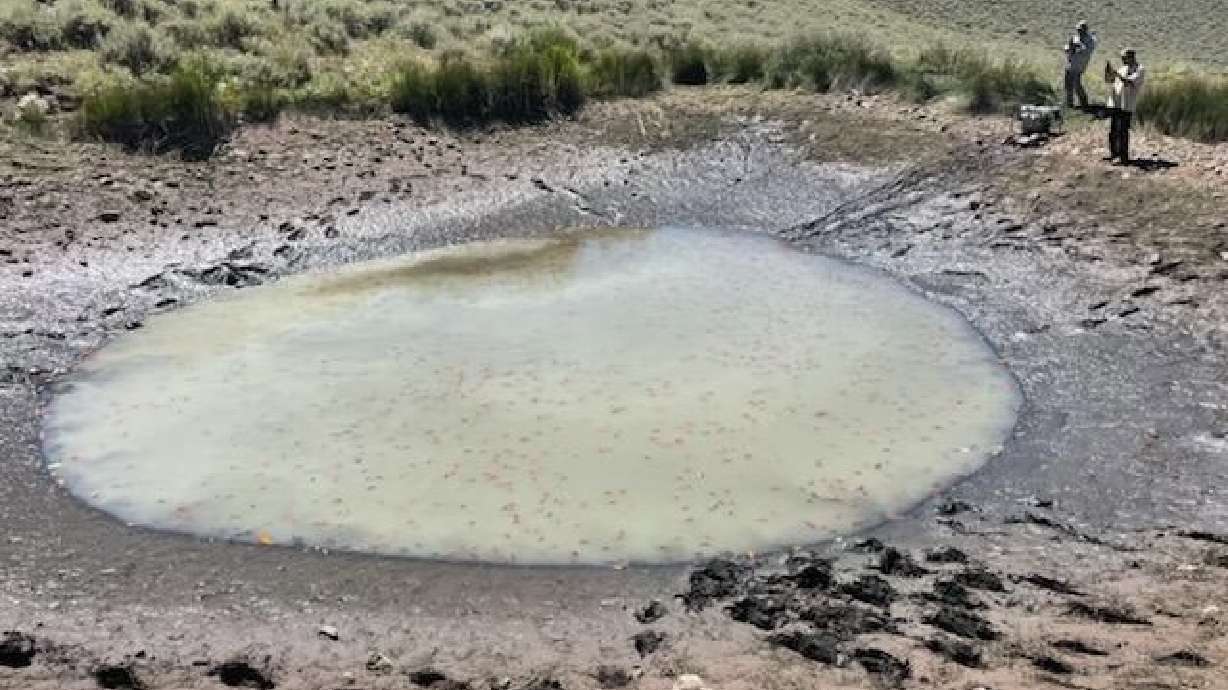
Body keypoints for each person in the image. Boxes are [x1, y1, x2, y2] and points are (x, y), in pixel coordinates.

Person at [1104, 48, 1145, 164]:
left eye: (1124, 58)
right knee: (1113, 131)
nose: (1122, 60)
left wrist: (1116, 74)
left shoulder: (1140, 69)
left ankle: (1123, 157)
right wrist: (1108, 73)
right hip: (1116, 103)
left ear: (1131, 57)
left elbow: (1130, 82)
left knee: (1123, 131)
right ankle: (1113, 153)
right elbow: (1110, 81)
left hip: (1127, 104)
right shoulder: (1122, 69)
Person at [1063, 21, 1097, 109]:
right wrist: (1070, 48)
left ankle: (1084, 102)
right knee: (1068, 85)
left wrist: (1078, 46)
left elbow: (1087, 51)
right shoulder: (1075, 38)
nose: (1079, 32)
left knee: (1076, 85)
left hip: (1079, 65)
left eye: (1081, 30)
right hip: (1071, 63)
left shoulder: (1091, 40)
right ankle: (1069, 104)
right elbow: (1068, 48)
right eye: (1078, 30)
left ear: (1085, 30)